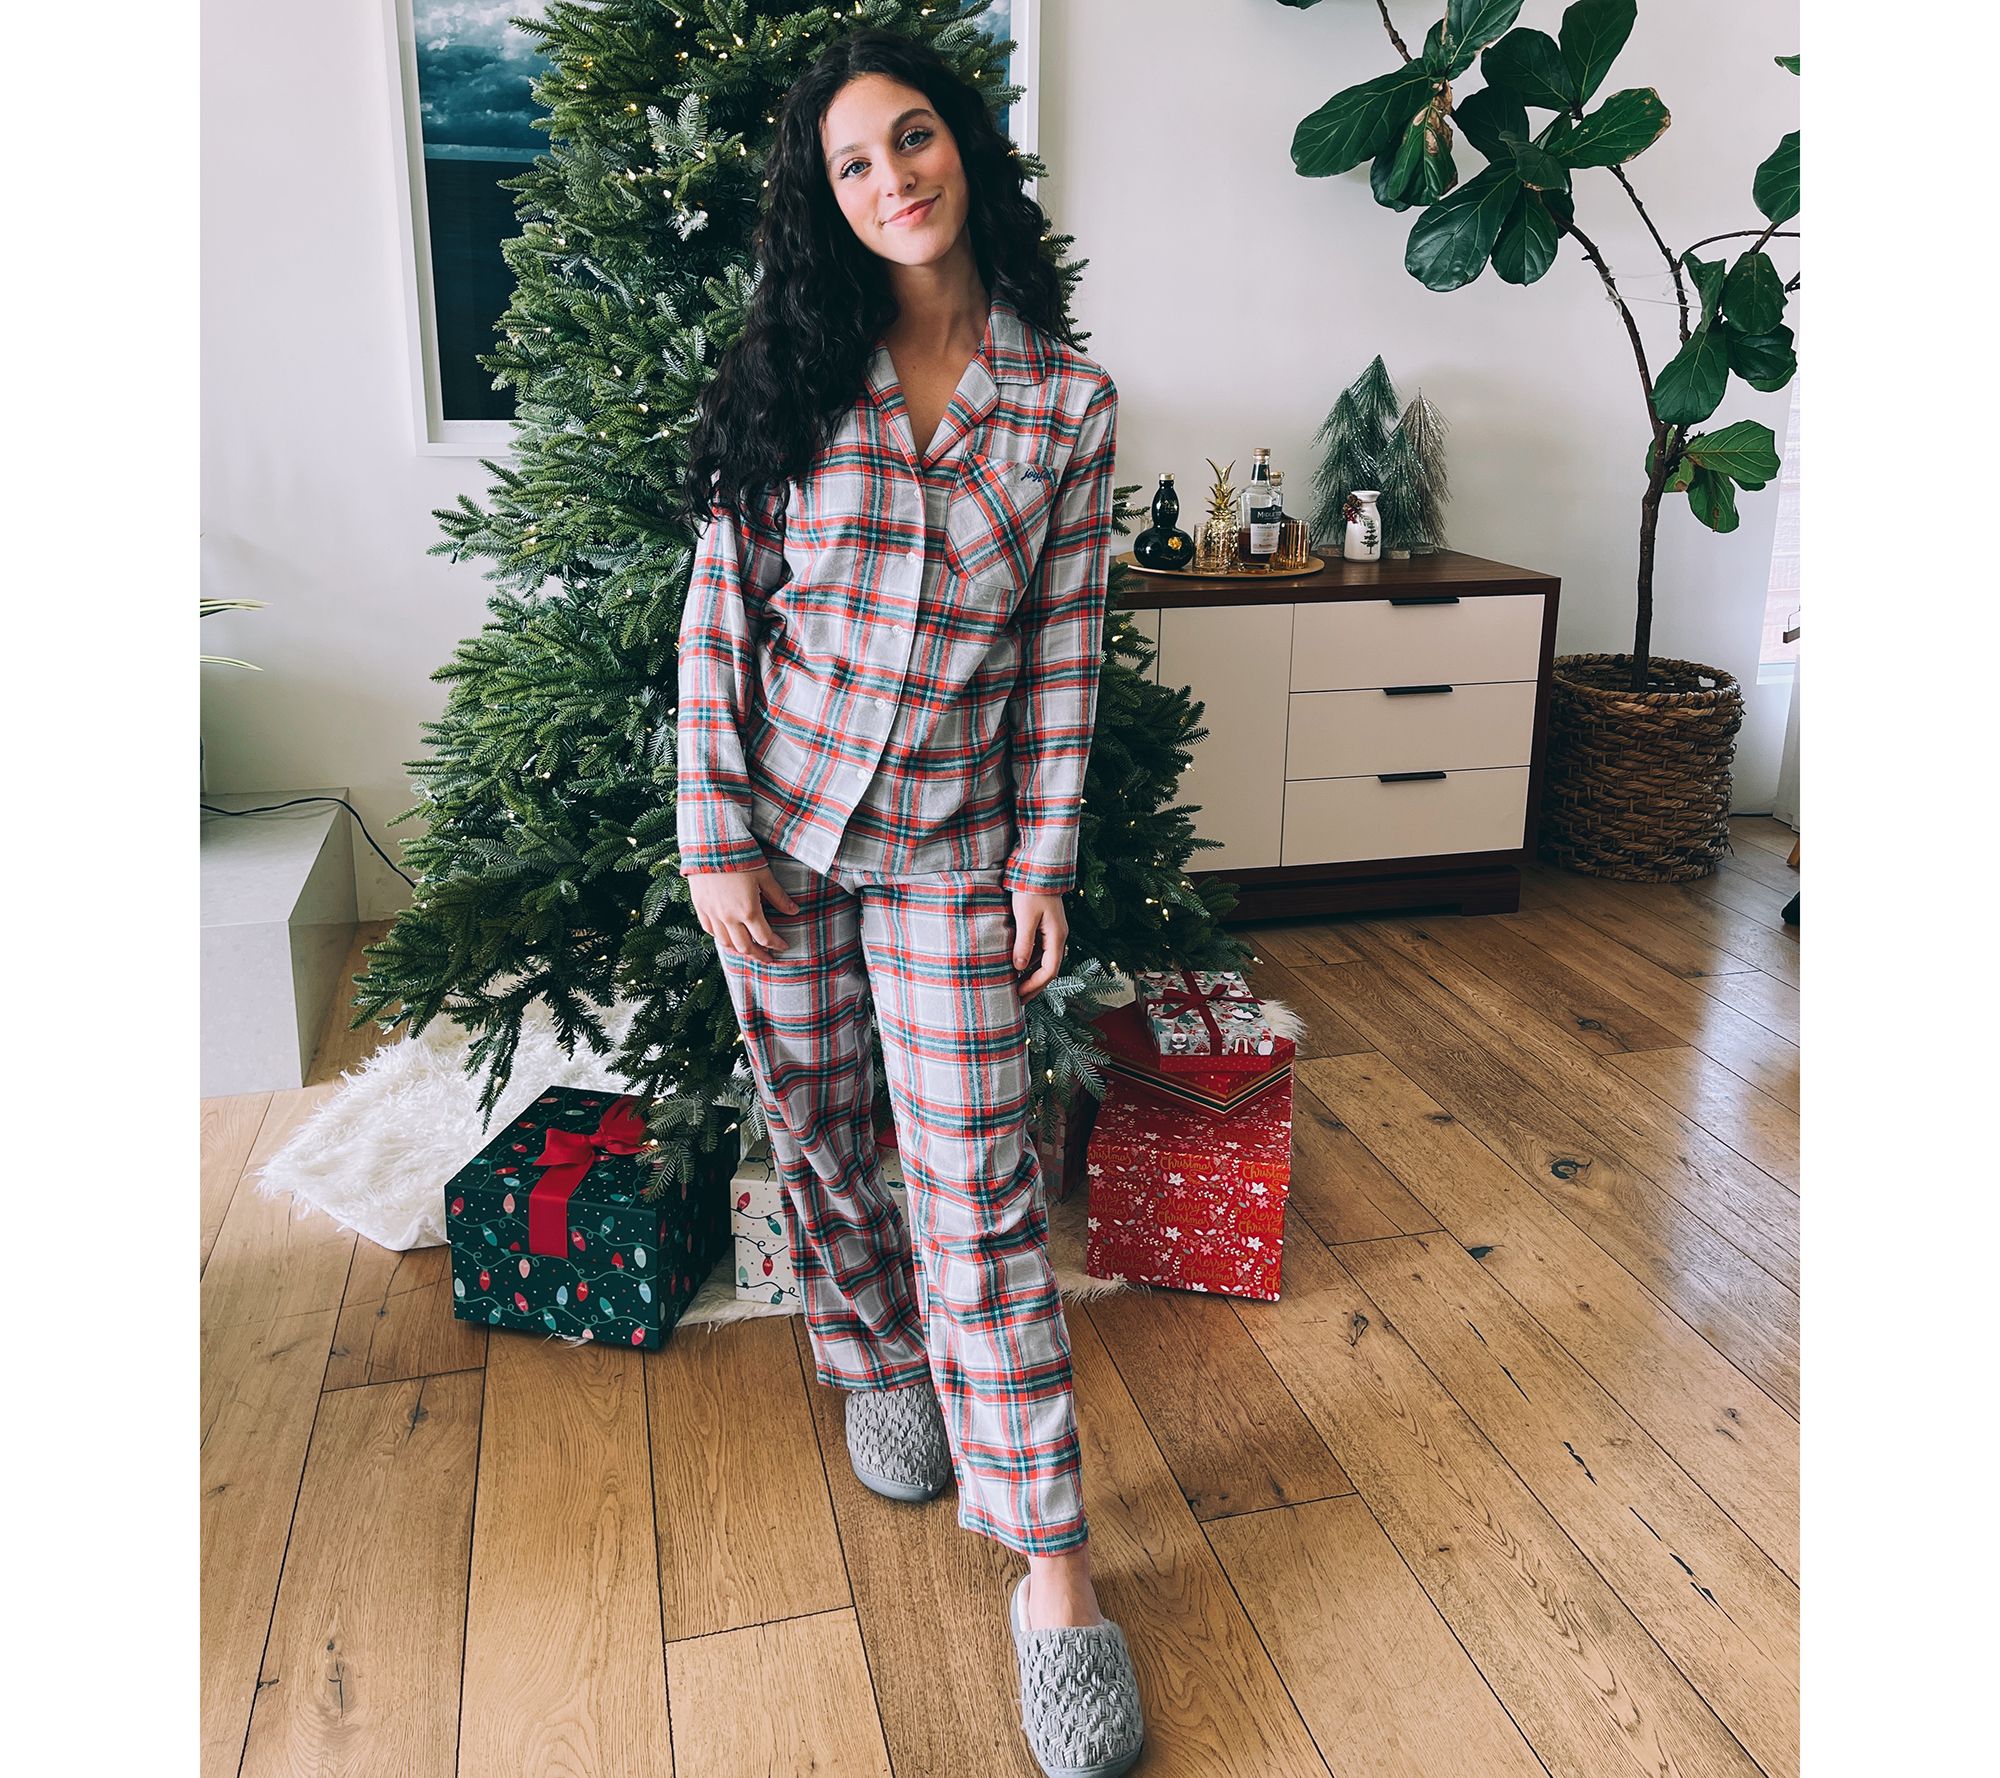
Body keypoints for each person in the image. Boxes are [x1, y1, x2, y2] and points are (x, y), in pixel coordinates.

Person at [677, 25, 1142, 1778]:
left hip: (953, 848)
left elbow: (1065, 653)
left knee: (980, 1186)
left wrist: (1041, 858)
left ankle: (1055, 1575)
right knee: (811, 1118)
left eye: (915, 137)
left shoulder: (1067, 405)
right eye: (854, 163)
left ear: (966, 148)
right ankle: (873, 1350)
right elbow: (722, 617)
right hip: (781, 837)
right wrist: (714, 835)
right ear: (827, 199)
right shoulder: (799, 372)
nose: (893, 179)